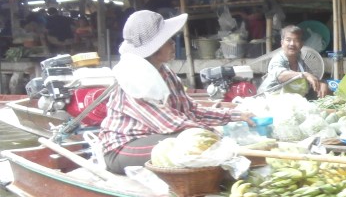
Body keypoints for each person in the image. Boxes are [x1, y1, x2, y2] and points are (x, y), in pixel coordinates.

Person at [99, 10, 255, 175]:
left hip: (153, 136)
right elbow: (170, 123)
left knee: (197, 141)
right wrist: (214, 134)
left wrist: (235, 115)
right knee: (188, 144)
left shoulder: (165, 73)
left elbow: (191, 110)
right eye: (168, 41)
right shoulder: (135, 79)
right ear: (155, 49)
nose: (173, 43)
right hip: (122, 149)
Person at [258, 25, 330, 99]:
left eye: (296, 40)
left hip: (289, 100)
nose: (292, 44)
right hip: (267, 99)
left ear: (301, 44)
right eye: (288, 40)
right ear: (282, 43)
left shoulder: (300, 62)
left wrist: (322, 83)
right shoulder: (278, 59)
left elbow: (311, 77)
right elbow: (280, 75)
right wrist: (303, 75)